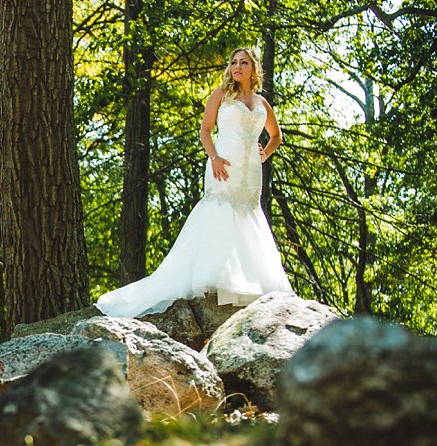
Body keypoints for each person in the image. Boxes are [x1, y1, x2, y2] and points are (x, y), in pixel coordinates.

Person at [96, 47, 293, 318]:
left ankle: (249, 281)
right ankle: (216, 279)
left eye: (244, 63)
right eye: (234, 62)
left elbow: (276, 135)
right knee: (220, 209)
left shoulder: (261, 103)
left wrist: (265, 153)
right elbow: (205, 131)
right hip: (223, 164)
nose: (237, 67)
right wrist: (214, 158)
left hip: (250, 170)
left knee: (248, 213)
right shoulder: (221, 95)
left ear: (254, 69)